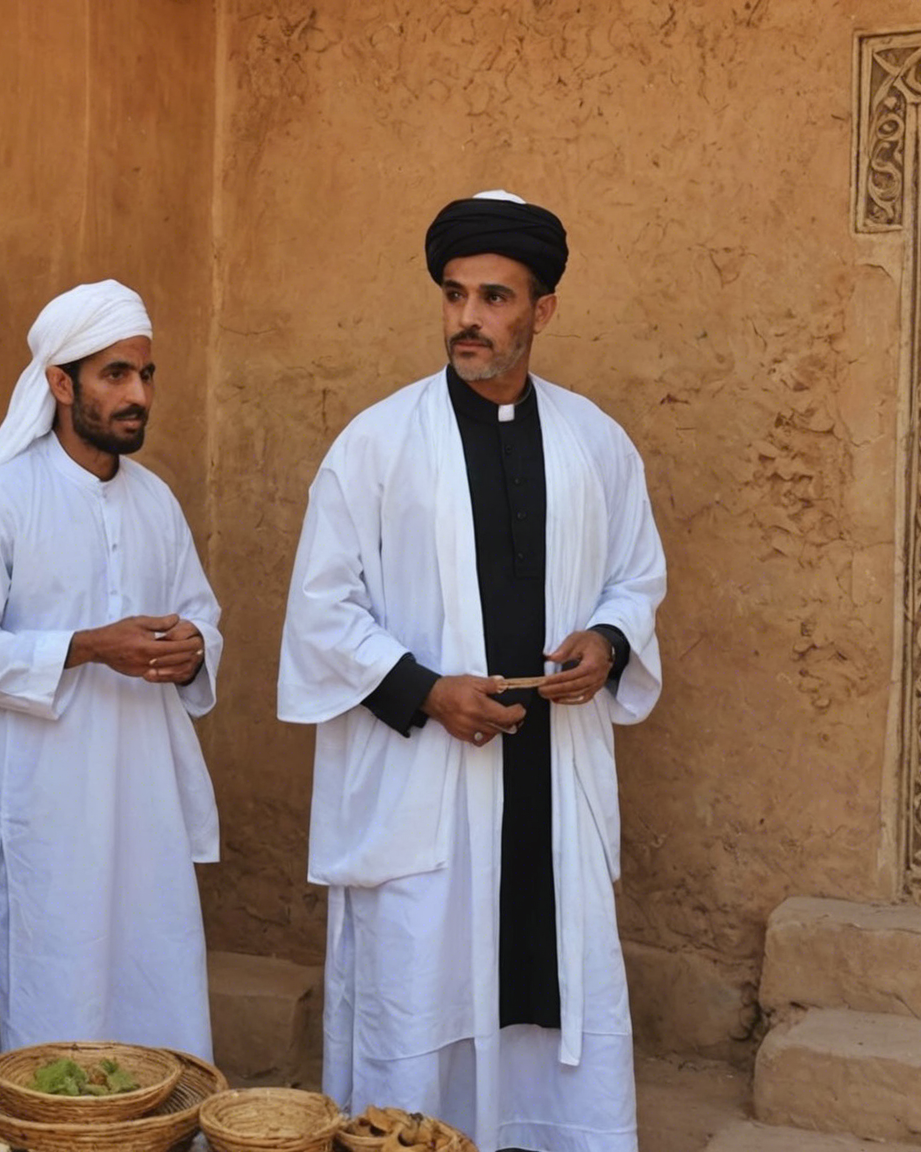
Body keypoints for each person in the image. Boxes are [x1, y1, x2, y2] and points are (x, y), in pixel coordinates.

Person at [278, 192, 666, 1152]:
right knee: (422, 986)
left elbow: (638, 572)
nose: (469, 318)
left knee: (550, 973)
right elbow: (323, 610)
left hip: (551, 771)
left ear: (543, 311)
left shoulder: (596, 442)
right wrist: (426, 691)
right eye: (455, 295)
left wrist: (608, 644)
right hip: (424, 778)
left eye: (496, 297)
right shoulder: (375, 444)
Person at [0, 280, 223, 1064]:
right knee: (51, 990)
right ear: (61, 384)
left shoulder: (156, 502)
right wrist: (90, 647)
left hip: (143, 798)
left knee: (149, 967)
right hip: (41, 806)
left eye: (146, 375)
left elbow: (203, 613)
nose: (138, 395)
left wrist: (194, 648)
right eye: (115, 376)